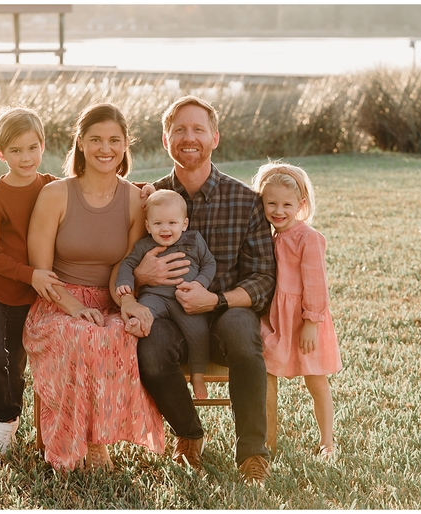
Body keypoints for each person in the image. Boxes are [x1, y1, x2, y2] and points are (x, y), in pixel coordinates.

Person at [122, 95, 276, 485]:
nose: (188, 138)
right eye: (179, 130)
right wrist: (140, 276)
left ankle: (252, 455)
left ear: (215, 138)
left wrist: (217, 299)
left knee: (243, 330)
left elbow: (262, 279)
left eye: (198, 129)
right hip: (168, 313)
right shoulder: (147, 199)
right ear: (165, 139)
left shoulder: (246, 202)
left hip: (226, 313)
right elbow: (124, 263)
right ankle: (189, 433)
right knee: (151, 346)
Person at [23, 103, 165, 472]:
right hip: (56, 303)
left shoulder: (135, 199)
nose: (106, 148)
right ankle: (81, 440)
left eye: (115, 140)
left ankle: (98, 438)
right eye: (96, 139)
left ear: (125, 146)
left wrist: (128, 301)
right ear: (81, 144)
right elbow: (41, 271)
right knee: (83, 335)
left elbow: (127, 265)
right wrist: (73, 306)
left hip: (110, 300)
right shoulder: (56, 194)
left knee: (123, 333)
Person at [0, 106, 66, 455]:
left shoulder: (54, 187)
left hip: (29, 293)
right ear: (1, 153)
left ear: (43, 145)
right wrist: (31, 274)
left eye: (32, 148)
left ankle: (11, 416)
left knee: (17, 363)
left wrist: (142, 188)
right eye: (15, 150)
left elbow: (94, 192)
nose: (26, 158)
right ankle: (3, 423)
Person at [252, 161, 342, 459]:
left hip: (304, 319)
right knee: (265, 370)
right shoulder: (273, 237)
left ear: (301, 205)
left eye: (287, 204)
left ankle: (327, 441)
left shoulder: (308, 238)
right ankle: (266, 439)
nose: (279, 211)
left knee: (316, 380)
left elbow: (316, 284)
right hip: (277, 319)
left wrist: (312, 322)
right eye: (271, 203)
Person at [115, 189, 217, 399]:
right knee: (145, 310)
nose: (165, 229)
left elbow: (209, 263)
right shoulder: (144, 245)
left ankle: (197, 374)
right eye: (158, 223)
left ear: (184, 224)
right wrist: (125, 283)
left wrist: (199, 284)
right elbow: (127, 264)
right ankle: (139, 324)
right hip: (156, 296)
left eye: (172, 223)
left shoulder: (194, 240)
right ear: (148, 226)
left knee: (199, 331)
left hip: (187, 299)